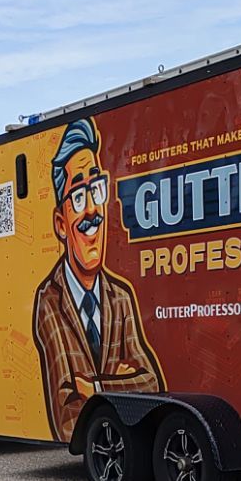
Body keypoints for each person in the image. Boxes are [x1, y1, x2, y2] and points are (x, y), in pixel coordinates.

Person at [32, 116, 162, 441]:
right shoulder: (50, 302)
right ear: (61, 224)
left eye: (96, 189)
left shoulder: (120, 297)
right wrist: (124, 383)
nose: (92, 210)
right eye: (78, 196)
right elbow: (67, 415)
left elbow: (152, 384)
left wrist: (95, 387)